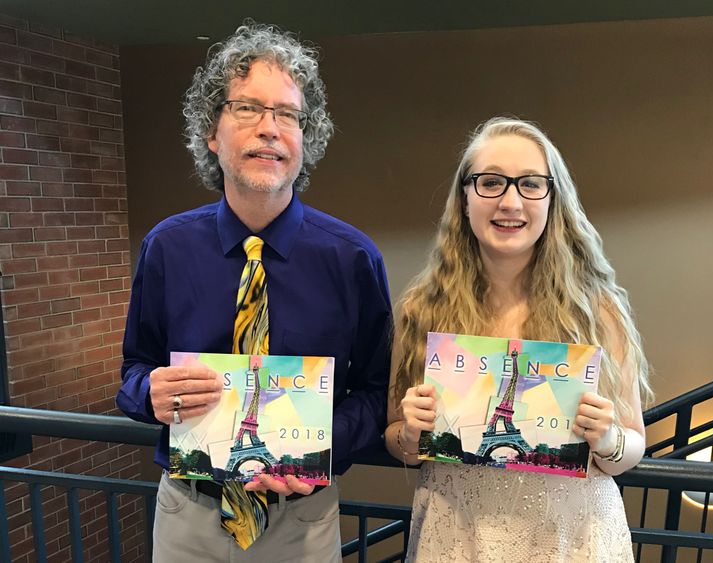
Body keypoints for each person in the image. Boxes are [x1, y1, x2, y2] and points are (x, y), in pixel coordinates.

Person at [117, 21, 392, 562]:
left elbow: (377, 392)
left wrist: (315, 446)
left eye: (287, 114)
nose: (270, 128)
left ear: (304, 140)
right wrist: (147, 392)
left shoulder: (354, 259)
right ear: (211, 133)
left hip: (304, 520)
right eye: (247, 108)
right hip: (189, 515)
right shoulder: (166, 248)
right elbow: (133, 368)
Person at [384, 117, 653, 562]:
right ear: (465, 197)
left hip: (572, 539)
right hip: (457, 537)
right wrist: (410, 432)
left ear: (553, 199)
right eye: (490, 182)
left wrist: (607, 439)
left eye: (530, 184)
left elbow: (633, 445)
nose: (510, 202)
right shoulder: (421, 310)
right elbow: (398, 438)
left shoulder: (595, 310)